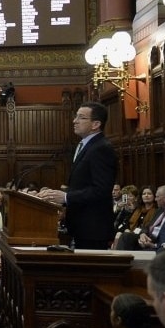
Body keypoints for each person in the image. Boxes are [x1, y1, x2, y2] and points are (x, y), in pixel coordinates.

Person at [39, 102, 118, 249]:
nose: (74, 121)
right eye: (76, 117)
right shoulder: (85, 145)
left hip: (93, 229)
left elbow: (101, 190)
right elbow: (83, 184)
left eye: (81, 118)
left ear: (95, 124)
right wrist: (57, 196)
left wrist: (66, 197)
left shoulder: (101, 148)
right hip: (82, 226)